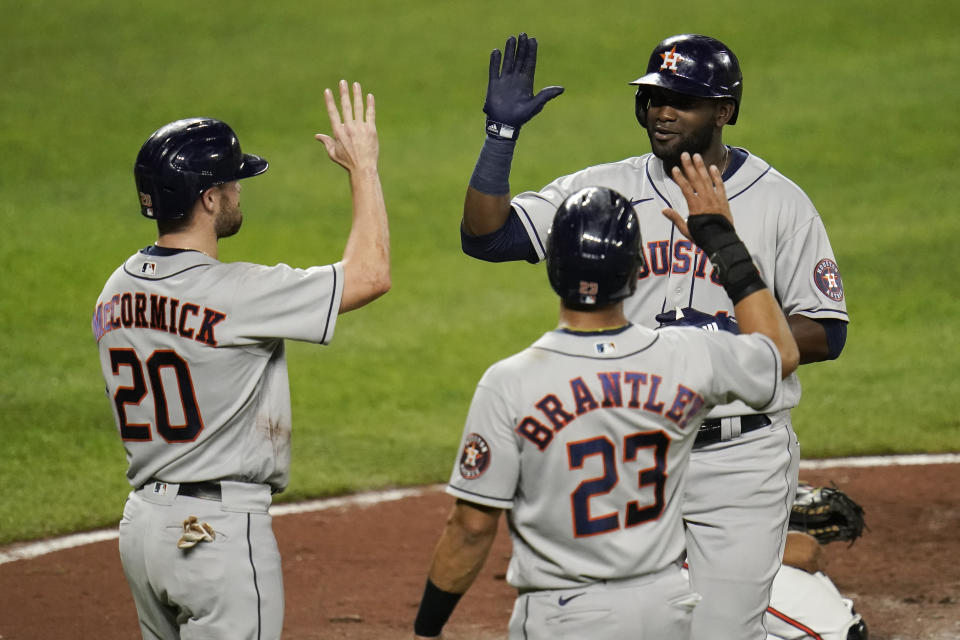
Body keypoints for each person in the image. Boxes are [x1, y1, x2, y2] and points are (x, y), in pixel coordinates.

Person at [458, 32, 849, 638]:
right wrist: (499, 138)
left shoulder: (779, 203)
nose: (661, 112)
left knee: (721, 631)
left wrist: (722, 340)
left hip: (739, 457)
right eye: (652, 98)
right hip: (636, 450)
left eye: (682, 101)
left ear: (723, 112)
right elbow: (489, 237)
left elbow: (826, 331)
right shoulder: (606, 188)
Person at [413, 155, 800, 639]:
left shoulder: (511, 382)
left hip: (566, 613)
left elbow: (471, 528)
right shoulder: (690, 357)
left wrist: (426, 629)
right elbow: (779, 351)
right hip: (663, 607)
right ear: (637, 270)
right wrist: (723, 242)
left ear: (553, 268)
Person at [92, 80, 390, 639]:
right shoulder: (236, 293)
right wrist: (364, 169)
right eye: (231, 183)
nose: (237, 192)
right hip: (217, 535)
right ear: (207, 198)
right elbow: (371, 275)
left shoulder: (114, 291)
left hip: (143, 529)